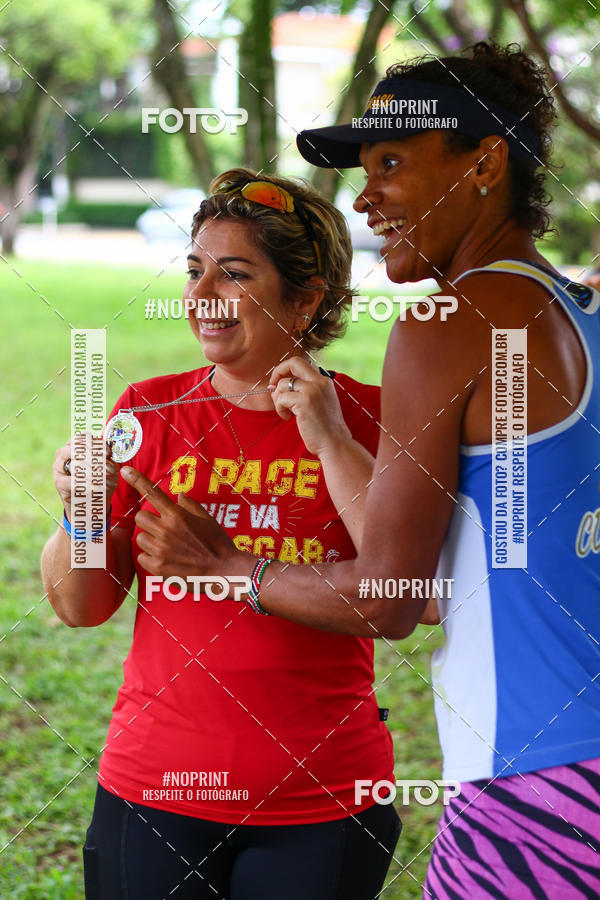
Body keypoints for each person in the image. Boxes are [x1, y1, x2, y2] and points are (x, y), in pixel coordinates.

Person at [121, 43, 600, 898]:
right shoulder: (580, 311)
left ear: (486, 163)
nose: (366, 196)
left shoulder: (448, 320)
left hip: (535, 779)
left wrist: (224, 566)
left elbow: (388, 597)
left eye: (391, 163)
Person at [40, 169, 401, 899]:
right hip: (155, 790)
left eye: (234, 274)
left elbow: (406, 598)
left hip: (322, 798)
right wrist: (81, 512)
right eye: (195, 270)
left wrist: (326, 438)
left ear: (306, 299)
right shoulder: (149, 411)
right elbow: (81, 606)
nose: (201, 296)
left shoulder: (373, 419)